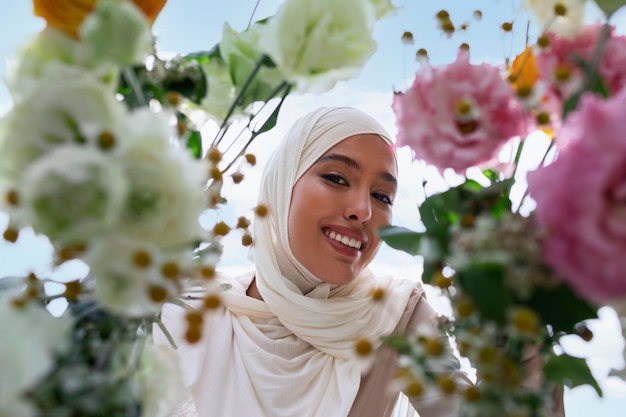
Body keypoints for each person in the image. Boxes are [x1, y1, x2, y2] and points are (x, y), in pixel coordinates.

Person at [154, 106, 530, 417]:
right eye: (336, 178)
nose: (363, 210)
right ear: (284, 184)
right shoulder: (183, 310)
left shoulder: (397, 318)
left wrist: (521, 334)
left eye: (382, 197)